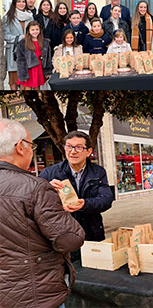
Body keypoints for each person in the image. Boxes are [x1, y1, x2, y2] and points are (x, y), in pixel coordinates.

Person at [0, 118, 85, 308]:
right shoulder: (36, 188)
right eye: (32, 144)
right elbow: (70, 239)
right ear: (21, 147)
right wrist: (59, 208)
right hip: (34, 294)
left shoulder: (35, 187)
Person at [39, 131, 114, 241]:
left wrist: (85, 204)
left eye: (79, 147)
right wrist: (47, 188)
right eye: (69, 146)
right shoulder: (49, 173)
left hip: (92, 232)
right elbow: (33, 199)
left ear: (88, 152)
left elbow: (106, 200)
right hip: (61, 232)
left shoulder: (98, 172)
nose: (72, 152)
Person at [3, 0, 33, 90]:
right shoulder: (7, 17)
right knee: (14, 80)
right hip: (13, 51)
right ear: (14, 3)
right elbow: (5, 36)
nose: (21, 3)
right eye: (19, 1)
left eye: (23, 1)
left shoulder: (30, 16)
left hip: (27, 50)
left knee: (25, 79)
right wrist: (21, 37)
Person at [16, 21, 52, 90]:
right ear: (28, 31)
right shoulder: (23, 43)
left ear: (40, 30)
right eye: (32, 30)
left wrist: (47, 71)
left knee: (37, 88)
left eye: (37, 29)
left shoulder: (45, 42)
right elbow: (20, 60)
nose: (35, 31)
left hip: (39, 68)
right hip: (28, 70)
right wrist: (23, 75)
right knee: (28, 88)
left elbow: (48, 58)